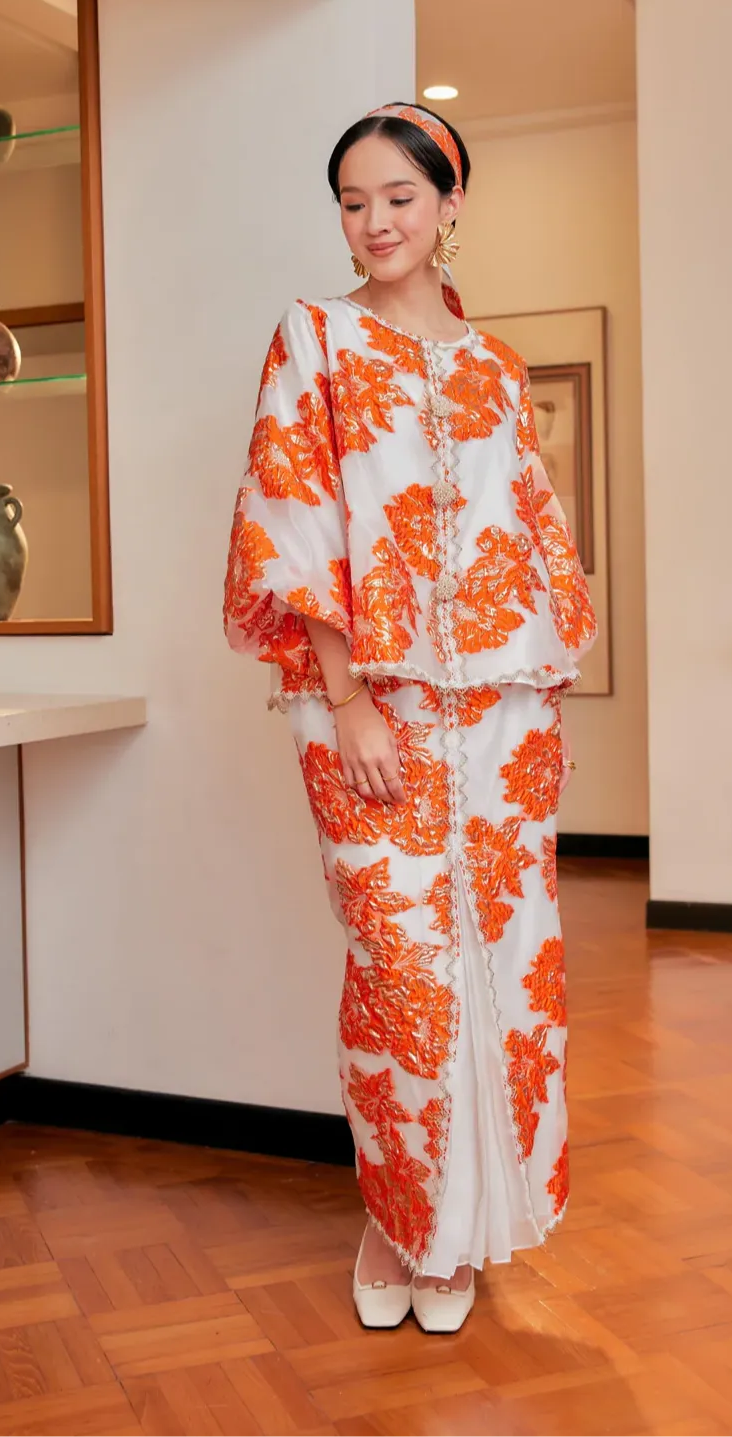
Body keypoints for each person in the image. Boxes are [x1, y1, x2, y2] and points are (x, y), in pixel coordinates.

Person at [223, 102, 596, 1334]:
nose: (375, 221)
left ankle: (461, 1235)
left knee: (506, 968)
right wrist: (348, 700)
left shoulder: (494, 365)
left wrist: (542, 704)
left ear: (450, 204)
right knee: (402, 969)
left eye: (399, 196)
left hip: (503, 719)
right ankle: (397, 1216)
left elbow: (533, 537)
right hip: (366, 710)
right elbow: (292, 516)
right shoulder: (315, 338)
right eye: (353, 201)